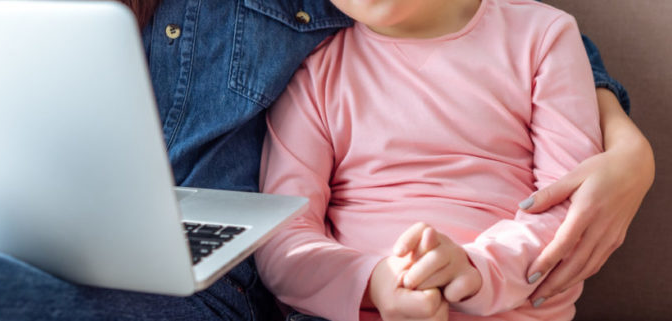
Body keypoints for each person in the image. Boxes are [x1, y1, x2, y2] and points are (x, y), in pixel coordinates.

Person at [0, 0, 652, 320]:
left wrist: (624, 138)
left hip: (211, 287)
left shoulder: (522, 35)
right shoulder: (326, 73)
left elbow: (489, 30)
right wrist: (370, 281)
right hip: (42, 246)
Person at [253, 0, 649, 320]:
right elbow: (281, 238)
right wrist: (374, 282)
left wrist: (474, 270)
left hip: (512, 306)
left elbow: (568, 204)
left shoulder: (543, 37)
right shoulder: (312, 73)